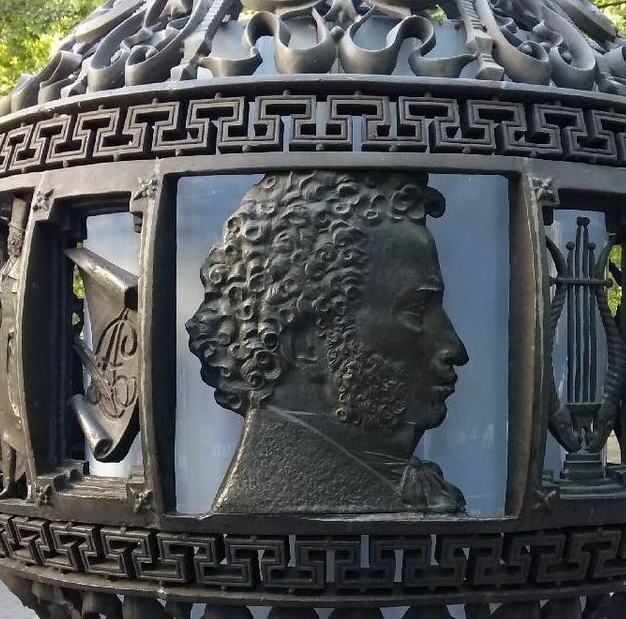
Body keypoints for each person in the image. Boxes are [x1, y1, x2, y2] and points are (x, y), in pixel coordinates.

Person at [187, 171, 470, 515]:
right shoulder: (281, 495)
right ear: (306, 343)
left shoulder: (395, 483)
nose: (455, 348)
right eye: (416, 311)